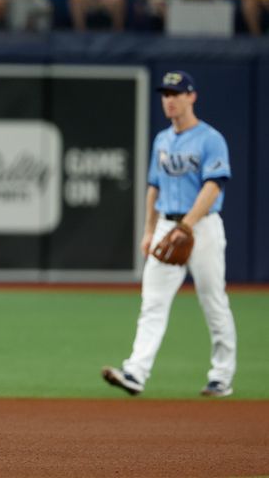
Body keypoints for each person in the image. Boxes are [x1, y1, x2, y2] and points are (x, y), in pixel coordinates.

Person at [102, 70, 237, 398]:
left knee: (212, 300)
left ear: (192, 97)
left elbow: (213, 186)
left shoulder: (210, 138)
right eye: (165, 94)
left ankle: (221, 376)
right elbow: (154, 186)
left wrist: (186, 225)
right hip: (167, 224)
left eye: (176, 94)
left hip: (201, 226)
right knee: (153, 302)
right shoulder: (163, 140)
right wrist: (150, 230)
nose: (169, 100)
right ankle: (135, 371)